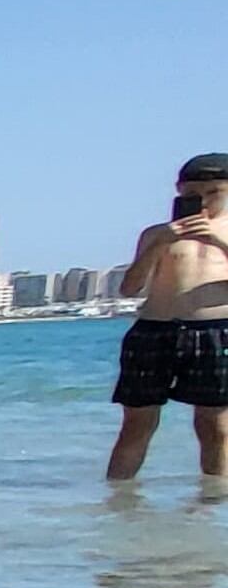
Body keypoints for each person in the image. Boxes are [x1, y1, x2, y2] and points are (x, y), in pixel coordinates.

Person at [106, 153, 228, 480]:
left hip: (216, 331)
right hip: (154, 330)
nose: (203, 202)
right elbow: (130, 289)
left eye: (214, 193)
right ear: (178, 191)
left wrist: (218, 239)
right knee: (137, 423)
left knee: (216, 424)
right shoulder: (155, 234)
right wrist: (158, 245)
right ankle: (118, 501)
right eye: (192, 196)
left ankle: (211, 505)